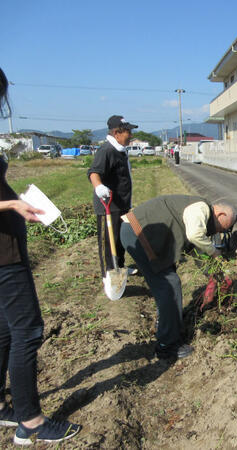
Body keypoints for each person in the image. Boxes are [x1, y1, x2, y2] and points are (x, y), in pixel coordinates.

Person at [0, 67, 81, 445]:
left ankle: (3, 408)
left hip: (6, 247)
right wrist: (12, 205)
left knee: (3, 331)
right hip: (3, 255)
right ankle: (30, 422)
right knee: (27, 331)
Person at [120, 195, 236, 360]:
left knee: (166, 279)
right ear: (221, 215)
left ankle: (164, 323)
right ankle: (167, 346)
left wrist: (216, 274)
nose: (220, 232)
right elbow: (195, 236)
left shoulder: (198, 216)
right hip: (138, 232)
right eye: (223, 228)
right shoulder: (202, 207)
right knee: (169, 285)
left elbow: (196, 251)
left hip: (138, 232)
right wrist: (215, 252)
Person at [88, 115, 138, 278]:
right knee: (108, 242)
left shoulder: (120, 150)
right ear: (117, 133)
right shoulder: (106, 150)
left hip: (122, 203)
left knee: (120, 238)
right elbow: (94, 172)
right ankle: (109, 274)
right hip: (109, 206)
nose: (130, 135)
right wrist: (99, 186)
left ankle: (120, 266)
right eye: (128, 132)